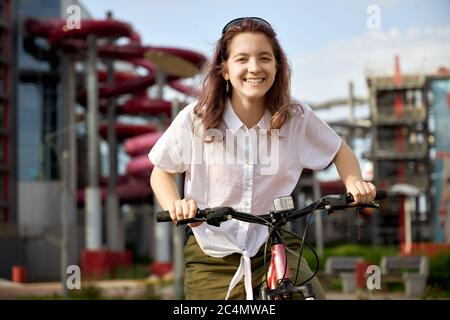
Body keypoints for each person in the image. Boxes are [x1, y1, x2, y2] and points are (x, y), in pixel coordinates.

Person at [149, 17, 376, 300]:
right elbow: (160, 173)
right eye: (242, 59)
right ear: (225, 70)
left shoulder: (296, 116)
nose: (254, 68)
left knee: (310, 296)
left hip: (273, 243)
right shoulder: (196, 119)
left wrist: (354, 182)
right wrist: (177, 205)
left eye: (264, 58)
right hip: (213, 253)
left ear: (277, 66)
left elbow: (340, 150)